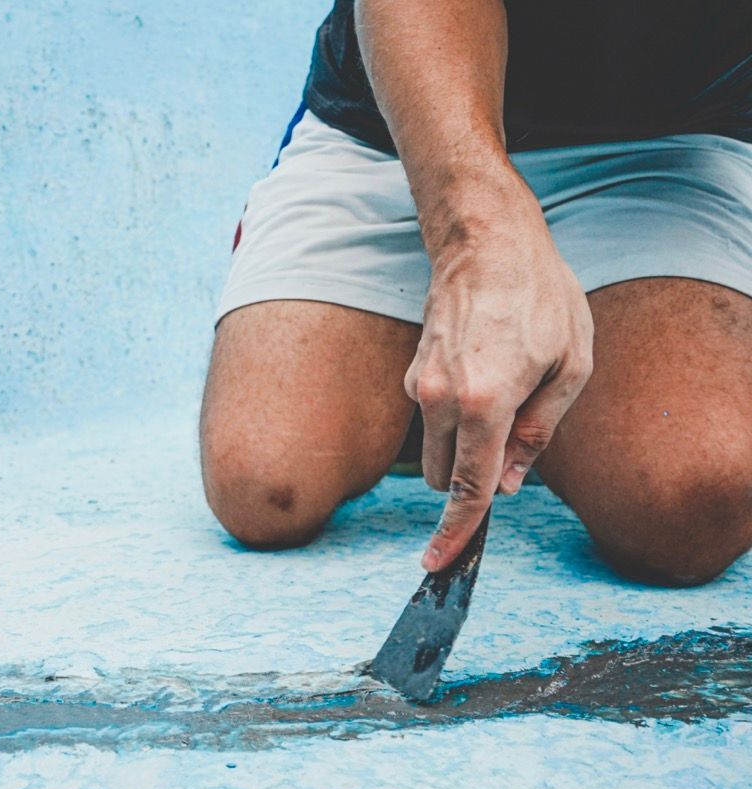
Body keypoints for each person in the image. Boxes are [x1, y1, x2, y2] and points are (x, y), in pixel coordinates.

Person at [200, 0, 752, 586]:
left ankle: (540, 378)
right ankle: (436, 375)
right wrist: (476, 236)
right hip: (403, 122)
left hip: (666, 148)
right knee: (261, 484)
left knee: (689, 505)